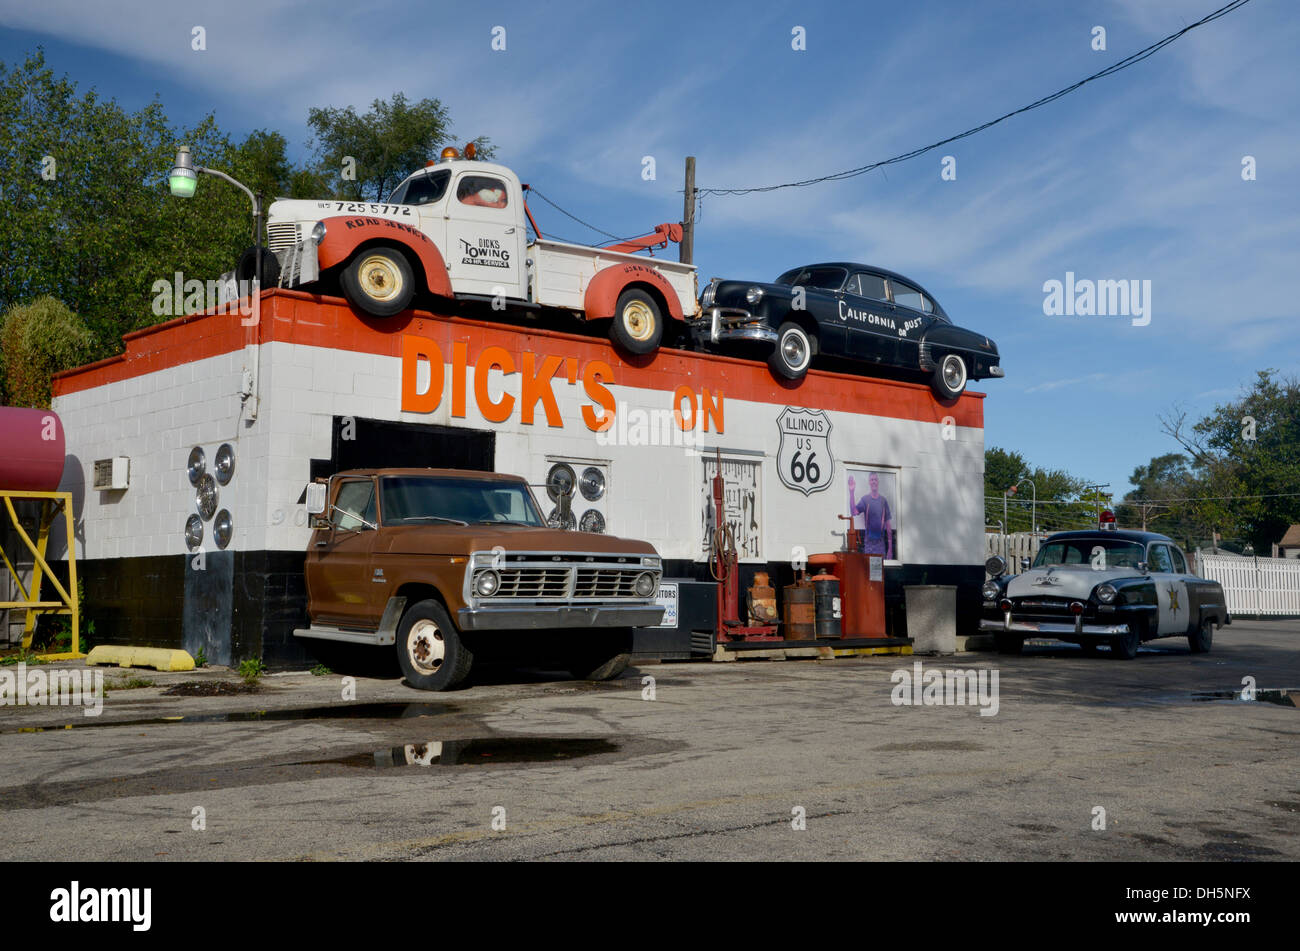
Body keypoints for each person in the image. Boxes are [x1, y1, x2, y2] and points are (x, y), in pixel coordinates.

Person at [848, 471, 893, 559]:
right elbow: (853, 511)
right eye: (872, 480)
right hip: (869, 543)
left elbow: (888, 527)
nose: (874, 482)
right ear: (869, 482)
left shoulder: (883, 501)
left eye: (875, 480)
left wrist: (890, 549)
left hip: (881, 544)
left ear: (878, 482)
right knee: (869, 570)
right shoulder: (865, 499)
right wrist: (851, 492)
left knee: (880, 570)